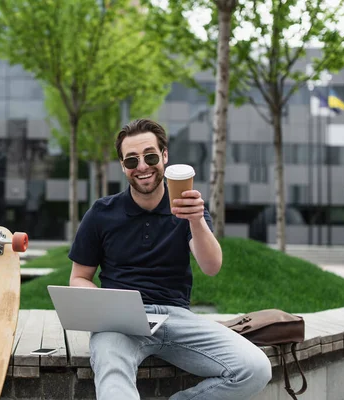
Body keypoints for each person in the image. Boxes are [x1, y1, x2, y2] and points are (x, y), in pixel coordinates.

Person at [68, 119, 272, 400]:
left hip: (177, 318)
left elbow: (212, 267)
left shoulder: (190, 208)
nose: (142, 166)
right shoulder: (102, 213)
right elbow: (78, 277)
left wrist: (196, 221)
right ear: (122, 165)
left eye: (150, 156)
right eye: (131, 160)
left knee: (256, 368)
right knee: (112, 376)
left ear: (164, 156)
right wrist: (108, 306)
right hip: (121, 322)